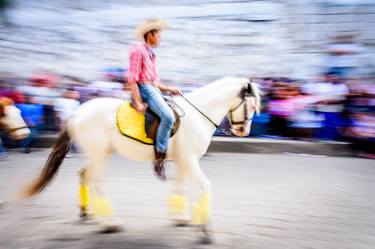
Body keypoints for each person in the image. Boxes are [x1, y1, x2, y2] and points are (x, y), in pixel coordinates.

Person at [127, 19, 181, 179]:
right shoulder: (139, 50)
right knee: (168, 116)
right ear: (150, 34)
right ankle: (159, 158)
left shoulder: (152, 55)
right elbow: (132, 78)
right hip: (144, 89)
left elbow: (155, 82)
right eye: (158, 34)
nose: (160, 38)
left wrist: (170, 88)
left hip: (153, 89)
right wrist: (137, 101)